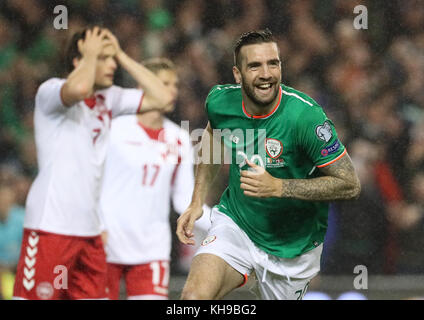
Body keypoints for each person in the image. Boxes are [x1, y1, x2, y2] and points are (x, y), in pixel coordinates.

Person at [176, 29, 361, 300]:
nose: (266, 74)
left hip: (292, 249)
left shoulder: (305, 117)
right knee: (192, 299)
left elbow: (350, 184)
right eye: (254, 66)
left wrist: (278, 187)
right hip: (237, 225)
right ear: (238, 74)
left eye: (272, 63)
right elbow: (213, 135)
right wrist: (197, 199)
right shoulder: (220, 102)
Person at [12, 26, 173, 300]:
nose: (111, 65)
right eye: (103, 58)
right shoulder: (50, 93)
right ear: (79, 60)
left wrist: (120, 54)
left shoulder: (108, 99)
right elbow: (79, 87)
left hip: (90, 234)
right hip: (51, 228)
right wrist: (90, 54)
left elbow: (163, 98)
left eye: (111, 59)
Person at [99, 58, 210, 300]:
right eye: (164, 83)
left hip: (152, 249)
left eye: (175, 84)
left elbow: (185, 200)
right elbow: (88, 184)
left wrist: (227, 226)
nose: (172, 91)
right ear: (142, 88)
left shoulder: (179, 138)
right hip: (105, 244)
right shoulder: (113, 130)